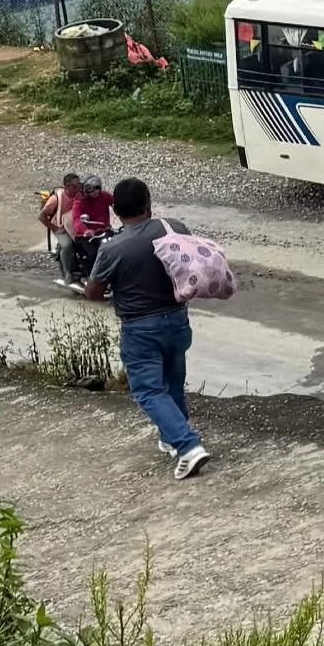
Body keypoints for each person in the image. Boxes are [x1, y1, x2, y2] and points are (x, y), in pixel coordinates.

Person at [84, 177, 210, 481]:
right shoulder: (175, 227)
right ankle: (171, 436)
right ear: (148, 203)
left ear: (115, 211)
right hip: (178, 320)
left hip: (140, 327)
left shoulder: (113, 249)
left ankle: (188, 445)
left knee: (148, 391)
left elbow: (93, 293)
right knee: (173, 383)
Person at [40, 172, 81, 286]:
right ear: (67, 186)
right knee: (68, 245)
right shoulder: (56, 199)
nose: (78, 188)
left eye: (79, 185)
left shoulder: (79, 194)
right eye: (74, 186)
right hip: (59, 226)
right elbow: (41, 217)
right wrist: (55, 228)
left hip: (73, 225)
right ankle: (67, 273)